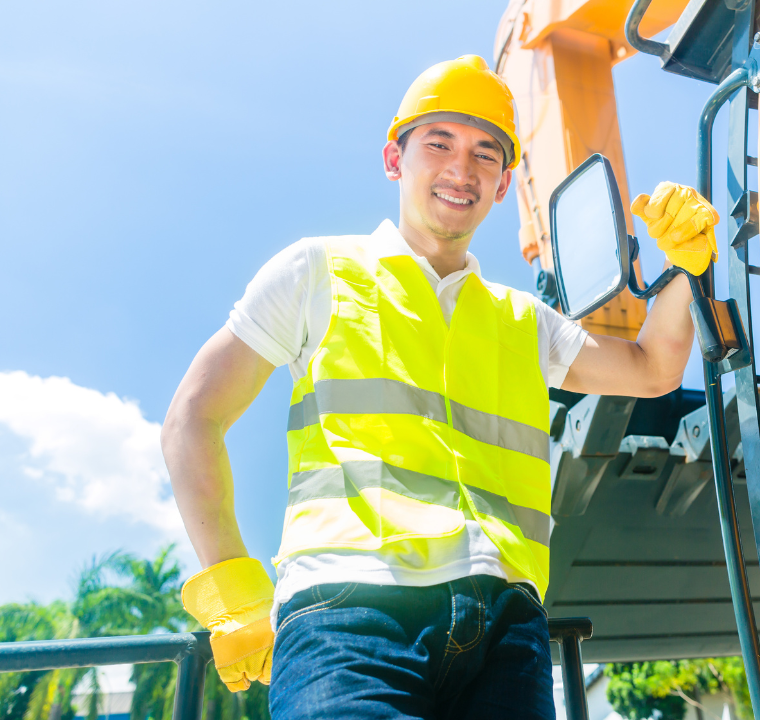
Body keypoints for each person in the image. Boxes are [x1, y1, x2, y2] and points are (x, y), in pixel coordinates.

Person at [161, 55, 721, 720]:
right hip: (350, 616)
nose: (463, 169)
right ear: (394, 160)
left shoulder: (522, 320)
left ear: (506, 184)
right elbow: (193, 417)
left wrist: (686, 267)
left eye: (486, 153)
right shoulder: (317, 271)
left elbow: (653, 370)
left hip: (506, 627)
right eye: (440, 144)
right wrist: (233, 593)